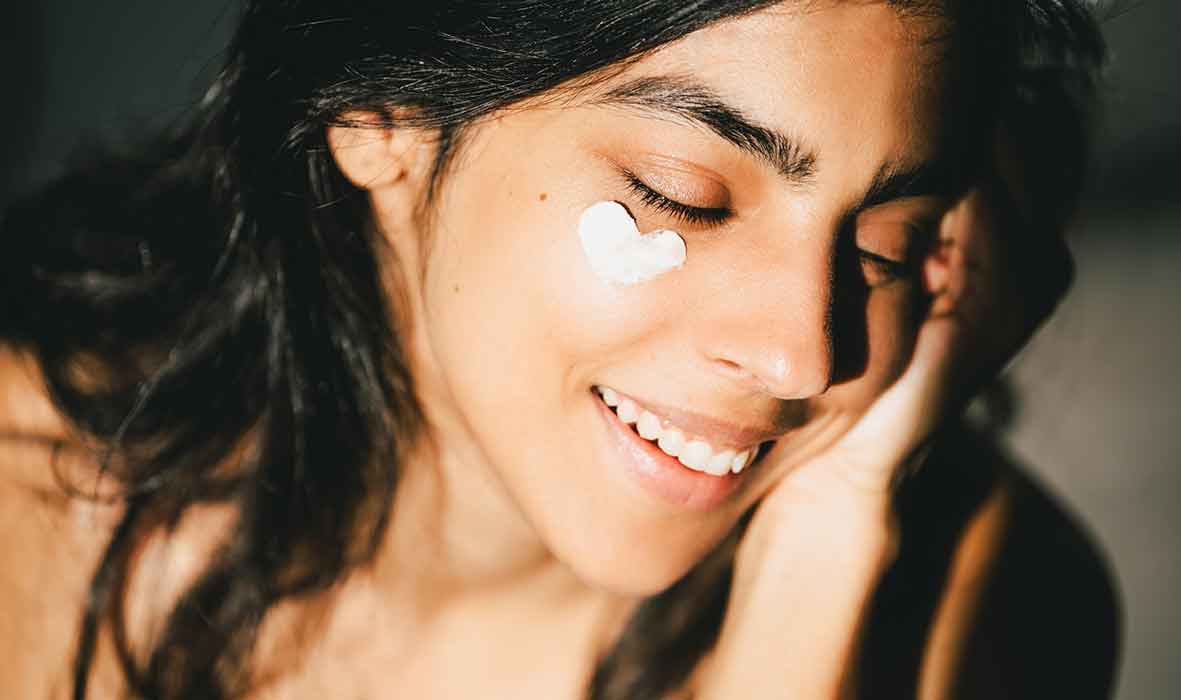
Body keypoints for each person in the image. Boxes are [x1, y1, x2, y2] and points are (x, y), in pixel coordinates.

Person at [0, 1, 1120, 698]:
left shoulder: (986, 600)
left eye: (887, 244)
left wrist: (826, 546)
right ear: (387, 111)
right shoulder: (26, 499)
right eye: (684, 197)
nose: (802, 355)